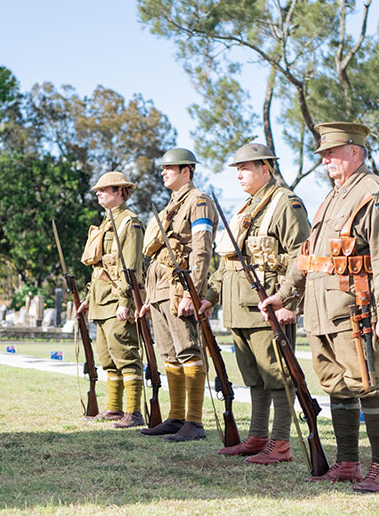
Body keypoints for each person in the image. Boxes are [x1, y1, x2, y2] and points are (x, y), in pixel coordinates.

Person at [260, 122, 379, 492]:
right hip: (322, 312)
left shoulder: (376, 196)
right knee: (337, 387)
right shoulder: (331, 197)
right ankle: (347, 464)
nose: (325, 160)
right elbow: (308, 256)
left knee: (368, 386)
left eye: (332, 152)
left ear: (355, 152)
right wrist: (283, 293)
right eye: (323, 154)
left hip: (357, 311)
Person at [198, 143, 310, 464]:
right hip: (237, 308)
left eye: (245, 168)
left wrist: (292, 302)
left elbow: (301, 257)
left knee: (278, 377)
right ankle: (259, 435)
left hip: (267, 307)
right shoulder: (244, 208)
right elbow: (227, 262)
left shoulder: (286, 204)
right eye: (237, 169)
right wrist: (210, 297)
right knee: (254, 377)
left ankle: (280, 443)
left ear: (266, 168)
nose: (239, 175)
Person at [139, 148, 217, 442]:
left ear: (187, 171)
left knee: (188, 352)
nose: (163, 171)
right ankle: (176, 417)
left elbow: (201, 250)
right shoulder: (169, 207)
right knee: (168, 354)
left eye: (170, 167)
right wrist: (148, 298)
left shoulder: (198, 202)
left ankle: (194, 422)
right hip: (159, 290)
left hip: (179, 289)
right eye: (163, 167)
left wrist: (192, 292)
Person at [76, 171, 145, 429]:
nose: (98, 193)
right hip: (100, 300)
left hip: (117, 299)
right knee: (107, 359)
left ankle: (133, 412)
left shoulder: (130, 222)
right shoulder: (106, 222)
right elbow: (99, 268)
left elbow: (130, 265)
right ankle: (115, 408)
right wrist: (87, 299)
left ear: (119, 191)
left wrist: (126, 301)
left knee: (126, 355)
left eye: (104, 190)